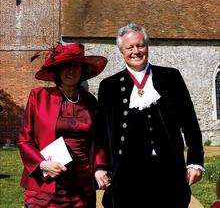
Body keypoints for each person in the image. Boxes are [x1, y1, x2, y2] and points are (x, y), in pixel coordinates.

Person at [95, 23, 204, 208]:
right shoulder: (109, 86)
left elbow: (190, 122)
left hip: (169, 172)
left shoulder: (171, 77)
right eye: (130, 47)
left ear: (147, 46)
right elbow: (101, 132)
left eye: (140, 45)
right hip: (128, 175)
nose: (136, 51)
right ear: (122, 52)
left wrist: (195, 161)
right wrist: (100, 167)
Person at [18, 43, 108, 208]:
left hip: (82, 186)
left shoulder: (90, 102)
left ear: (82, 70)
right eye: (65, 66)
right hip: (47, 184)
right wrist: (42, 164)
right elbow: (25, 140)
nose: (71, 71)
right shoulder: (38, 97)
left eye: (76, 66)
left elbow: (99, 141)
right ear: (57, 70)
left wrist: (99, 168)